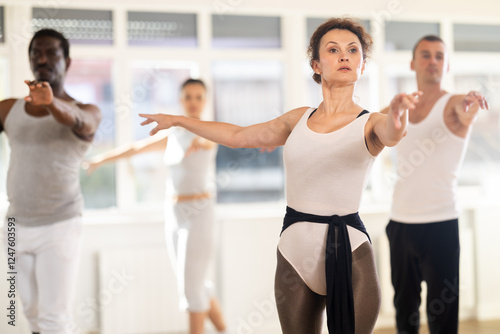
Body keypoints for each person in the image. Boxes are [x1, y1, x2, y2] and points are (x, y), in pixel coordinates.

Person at [140, 17, 421, 334]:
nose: (344, 56)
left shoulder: (370, 123)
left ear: (362, 64)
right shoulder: (297, 119)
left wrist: (398, 113)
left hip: (350, 249)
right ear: (316, 64)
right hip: (294, 251)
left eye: (353, 50)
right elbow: (239, 135)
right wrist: (179, 120)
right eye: (333, 49)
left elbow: (393, 132)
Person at [85, 78, 228, 334]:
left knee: (191, 290)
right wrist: (99, 160)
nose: (193, 102)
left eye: (198, 97)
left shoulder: (208, 130)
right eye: (188, 96)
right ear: (180, 100)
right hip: (174, 213)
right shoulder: (174, 135)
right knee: (195, 284)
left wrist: (199, 141)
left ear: (205, 101)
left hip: (200, 213)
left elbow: (208, 142)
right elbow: (135, 148)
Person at [382, 35, 489, 334]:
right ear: (413, 63)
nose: (432, 61)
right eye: (426, 55)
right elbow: (364, 127)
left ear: (447, 65)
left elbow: (464, 110)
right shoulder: (399, 107)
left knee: (442, 315)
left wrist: (470, 105)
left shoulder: (453, 103)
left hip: (441, 224)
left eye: (439, 56)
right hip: (401, 224)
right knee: (405, 310)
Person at [0, 29, 102, 334]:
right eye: (35, 53)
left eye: (51, 53)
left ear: (67, 61)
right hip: (15, 225)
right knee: (30, 314)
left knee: (54, 319)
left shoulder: (86, 110)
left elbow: (81, 122)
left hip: (59, 224)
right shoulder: (9, 109)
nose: (42, 59)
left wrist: (51, 103)